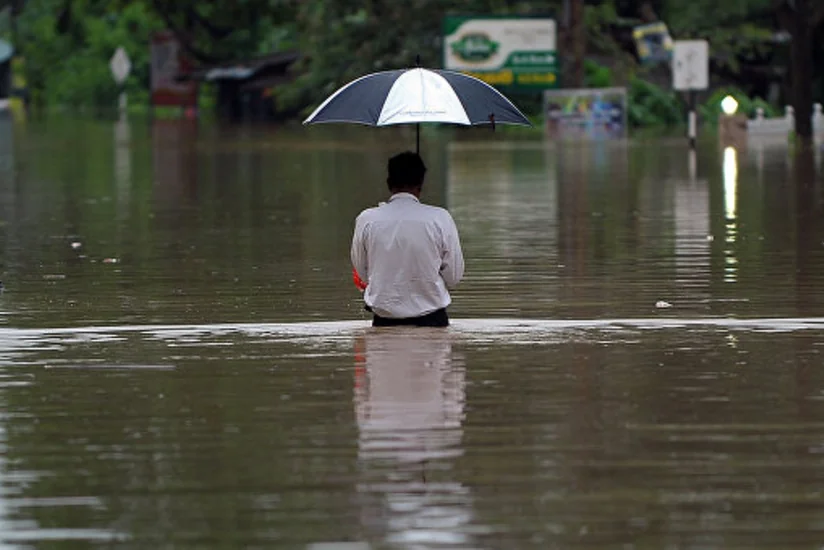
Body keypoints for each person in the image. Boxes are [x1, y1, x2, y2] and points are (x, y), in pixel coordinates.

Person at [351, 151, 464, 327]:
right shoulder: (440, 218)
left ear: (389, 183)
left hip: (384, 323)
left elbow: (364, 273)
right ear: (421, 184)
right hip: (433, 322)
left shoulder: (367, 219)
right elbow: (454, 277)